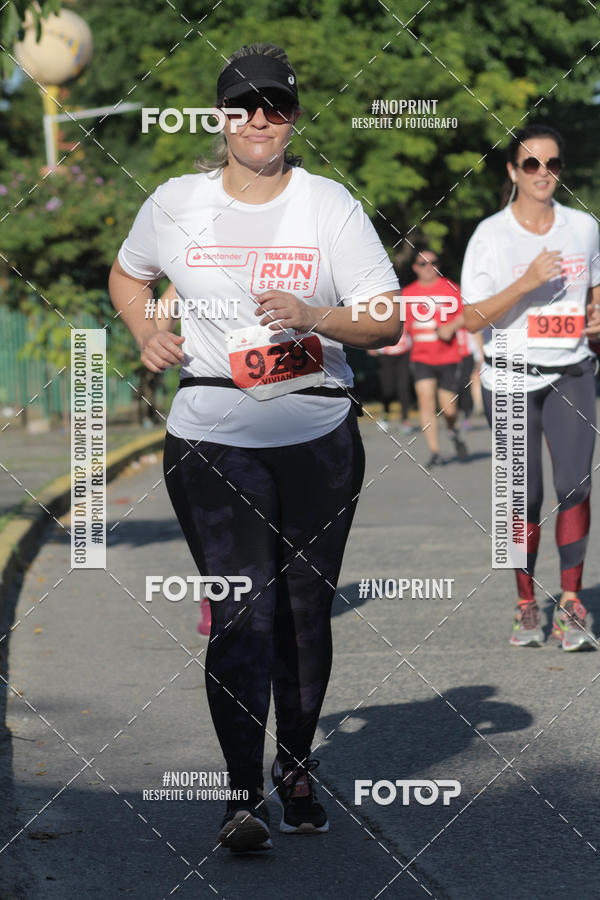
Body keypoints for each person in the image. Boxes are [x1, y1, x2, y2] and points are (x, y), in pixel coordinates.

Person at [109, 43, 402, 851]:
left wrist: (314, 314)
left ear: (294, 117)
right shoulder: (174, 202)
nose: (260, 120)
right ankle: (241, 798)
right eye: (244, 106)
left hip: (316, 432)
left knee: (304, 612)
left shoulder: (328, 206)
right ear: (220, 119)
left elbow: (386, 319)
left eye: (276, 106)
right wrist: (145, 330)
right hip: (212, 431)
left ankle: (296, 765)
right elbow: (128, 276)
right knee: (243, 611)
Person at [462, 123, 600, 651]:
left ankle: (569, 602)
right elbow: (471, 318)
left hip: (572, 370)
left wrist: (594, 315)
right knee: (522, 498)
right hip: (512, 372)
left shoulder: (584, 227)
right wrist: (525, 283)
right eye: (532, 164)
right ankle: (525, 604)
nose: (544, 174)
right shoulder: (490, 235)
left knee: (575, 486)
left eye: (554, 165)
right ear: (513, 172)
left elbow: (594, 293)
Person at [403, 245, 468, 467]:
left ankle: (453, 429)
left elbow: (469, 312)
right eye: (423, 263)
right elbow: (401, 326)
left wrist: (451, 327)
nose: (429, 268)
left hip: (448, 356)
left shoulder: (451, 288)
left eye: (434, 263)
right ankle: (435, 451)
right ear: (415, 268)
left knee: (448, 408)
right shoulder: (407, 294)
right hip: (421, 357)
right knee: (425, 399)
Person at [367, 328, 414, 433]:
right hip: (384, 354)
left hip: (404, 353)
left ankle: (405, 420)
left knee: (404, 387)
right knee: (387, 389)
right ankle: (385, 415)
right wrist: (371, 344)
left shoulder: (407, 311)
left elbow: (412, 325)